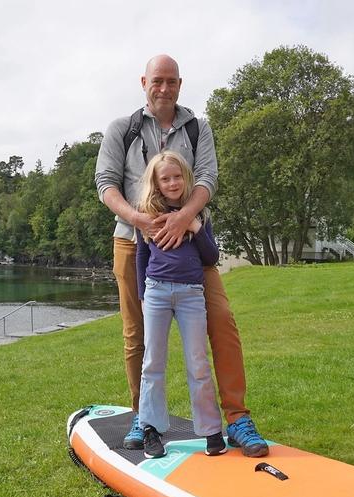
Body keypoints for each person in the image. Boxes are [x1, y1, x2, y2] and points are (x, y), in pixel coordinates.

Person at [95, 54, 269, 458]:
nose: (164, 88)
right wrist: (142, 220)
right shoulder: (122, 129)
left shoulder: (197, 127)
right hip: (137, 242)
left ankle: (237, 419)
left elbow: (207, 177)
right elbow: (105, 184)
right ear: (144, 82)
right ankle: (144, 416)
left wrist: (186, 217)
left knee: (222, 323)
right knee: (138, 336)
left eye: (171, 81)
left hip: (193, 244)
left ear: (179, 84)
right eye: (158, 80)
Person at [136, 150, 226, 458]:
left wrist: (195, 228)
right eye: (165, 178)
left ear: (185, 178)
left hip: (191, 295)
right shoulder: (147, 214)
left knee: (198, 362)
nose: (172, 182)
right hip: (156, 293)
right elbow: (142, 257)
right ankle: (150, 429)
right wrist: (142, 295)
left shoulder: (198, 214)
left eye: (177, 176)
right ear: (156, 183)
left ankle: (211, 431)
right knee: (153, 362)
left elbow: (211, 258)